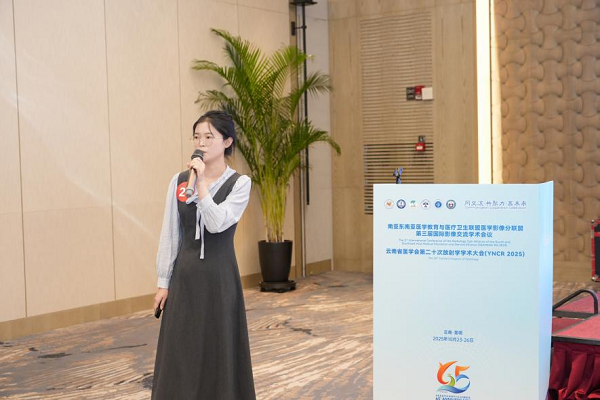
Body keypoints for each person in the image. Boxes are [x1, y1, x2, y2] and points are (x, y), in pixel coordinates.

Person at [151, 110, 256, 399]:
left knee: (217, 348)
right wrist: (163, 282)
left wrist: (200, 186)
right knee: (181, 348)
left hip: (219, 278)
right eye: (197, 137)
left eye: (209, 137)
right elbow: (170, 233)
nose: (201, 143)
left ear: (227, 142)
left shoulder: (240, 184)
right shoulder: (178, 181)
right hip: (185, 277)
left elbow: (216, 223)